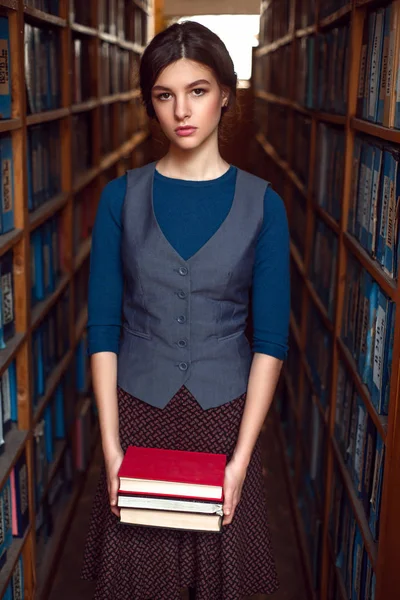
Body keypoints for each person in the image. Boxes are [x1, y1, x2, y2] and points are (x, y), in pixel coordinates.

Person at [81, 20, 290, 600]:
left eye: (197, 91)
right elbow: (103, 329)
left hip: (224, 422)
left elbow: (270, 341)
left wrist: (242, 460)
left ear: (226, 93)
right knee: (136, 581)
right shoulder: (119, 198)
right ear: (151, 103)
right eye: (165, 95)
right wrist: (111, 448)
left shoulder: (263, 206)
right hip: (137, 416)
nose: (183, 110)